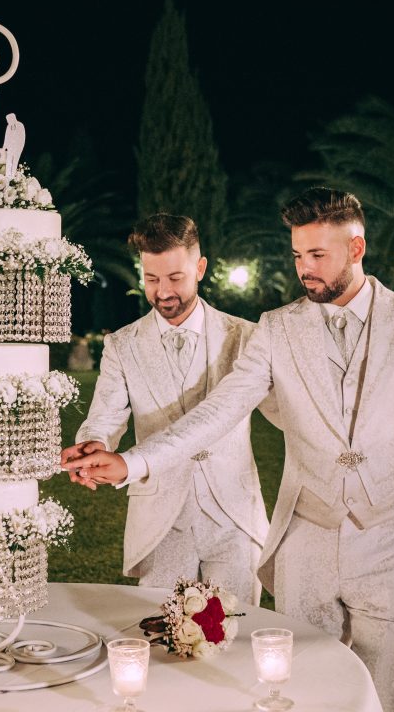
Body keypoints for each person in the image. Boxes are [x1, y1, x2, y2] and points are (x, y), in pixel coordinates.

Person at [63, 189, 394, 712]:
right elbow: (219, 411)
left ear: (357, 248)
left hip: (387, 537)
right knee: (295, 690)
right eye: (298, 255)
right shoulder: (277, 327)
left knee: (385, 694)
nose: (304, 269)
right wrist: (129, 461)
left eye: (317, 255)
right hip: (299, 539)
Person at [64, 213, 279, 604]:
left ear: (200, 268)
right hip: (160, 520)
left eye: (175, 278)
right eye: (151, 279)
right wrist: (94, 443)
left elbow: (290, 412)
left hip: (234, 516)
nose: (163, 292)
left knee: (237, 630)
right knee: (162, 630)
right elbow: (104, 417)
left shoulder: (247, 337)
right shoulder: (122, 345)